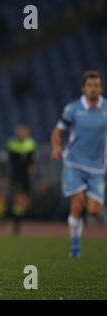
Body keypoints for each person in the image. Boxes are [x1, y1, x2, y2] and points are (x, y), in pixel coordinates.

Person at [51, 70, 107, 258]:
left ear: (101, 88)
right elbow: (57, 132)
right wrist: (57, 147)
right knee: (77, 204)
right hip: (74, 163)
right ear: (84, 88)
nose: (93, 89)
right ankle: (75, 246)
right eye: (90, 85)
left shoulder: (106, 108)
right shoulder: (73, 108)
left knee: (93, 210)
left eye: (96, 85)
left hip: (97, 166)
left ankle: (79, 235)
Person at [2, 124, 36, 234]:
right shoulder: (11, 144)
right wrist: (4, 176)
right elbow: (4, 161)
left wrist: (32, 167)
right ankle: (16, 225)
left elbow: (33, 160)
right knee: (18, 199)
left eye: (23, 131)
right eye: (19, 131)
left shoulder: (31, 144)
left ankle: (7, 214)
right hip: (15, 176)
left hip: (26, 177)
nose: (21, 133)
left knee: (24, 204)